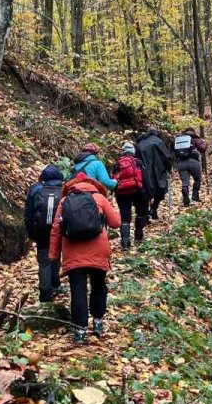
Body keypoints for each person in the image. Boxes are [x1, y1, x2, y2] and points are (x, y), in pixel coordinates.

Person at [49, 171, 121, 344]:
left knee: (78, 291)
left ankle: (80, 331)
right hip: (98, 251)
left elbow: (56, 229)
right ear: (93, 184)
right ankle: (97, 323)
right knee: (98, 286)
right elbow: (116, 223)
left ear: (72, 185)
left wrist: (53, 255)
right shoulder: (100, 198)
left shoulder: (65, 201)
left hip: (73, 252)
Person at [23, 165, 64, 302]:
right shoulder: (64, 189)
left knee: (44, 261)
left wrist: (32, 234)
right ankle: (55, 283)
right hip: (59, 230)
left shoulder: (35, 189)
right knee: (56, 255)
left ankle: (45, 294)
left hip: (41, 230)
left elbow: (28, 215)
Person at [112, 142, 148, 250]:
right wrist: (147, 193)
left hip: (122, 193)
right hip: (138, 190)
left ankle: (125, 242)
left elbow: (114, 179)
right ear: (133, 152)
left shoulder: (117, 164)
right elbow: (145, 178)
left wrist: (115, 192)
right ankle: (138, 236)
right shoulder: (138, 162)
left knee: (125, 217)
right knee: (140, 213)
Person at [135, 128, 172, 219]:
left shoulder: (140, 143)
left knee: (146, 192)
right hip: (158, 170)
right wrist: (169, 168)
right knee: (160, 190)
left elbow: (136, 159)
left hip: (144, 172)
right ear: (155, 133)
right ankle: (154, 209)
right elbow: (166, 157)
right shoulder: (159, 142)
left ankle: (146, 213)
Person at [174, 130, 203, 206]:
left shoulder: (179, 140)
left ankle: (186, 200)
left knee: (185, 183)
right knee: (197, 180)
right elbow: (202, 149)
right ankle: (195, 196)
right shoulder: (195, 139)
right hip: (193, 162)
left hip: (181, 163)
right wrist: (204, 142)